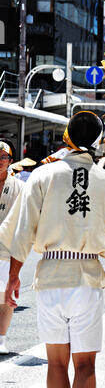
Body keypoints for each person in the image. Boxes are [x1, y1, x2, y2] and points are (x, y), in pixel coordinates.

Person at [1, 111, 105, 388]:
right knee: (86, 365)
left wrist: (13, 278)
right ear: (97, 141)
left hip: (50, 275)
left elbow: (20, 234)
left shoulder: (42, 175)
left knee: (55, 364)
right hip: (87, 280)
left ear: (66, 137)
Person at [0, 139, 24, 354]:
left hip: (8, 248)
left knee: (5, 296)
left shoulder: (19, 186)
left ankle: (1, 338)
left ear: (10, 161)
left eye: (3, 157)